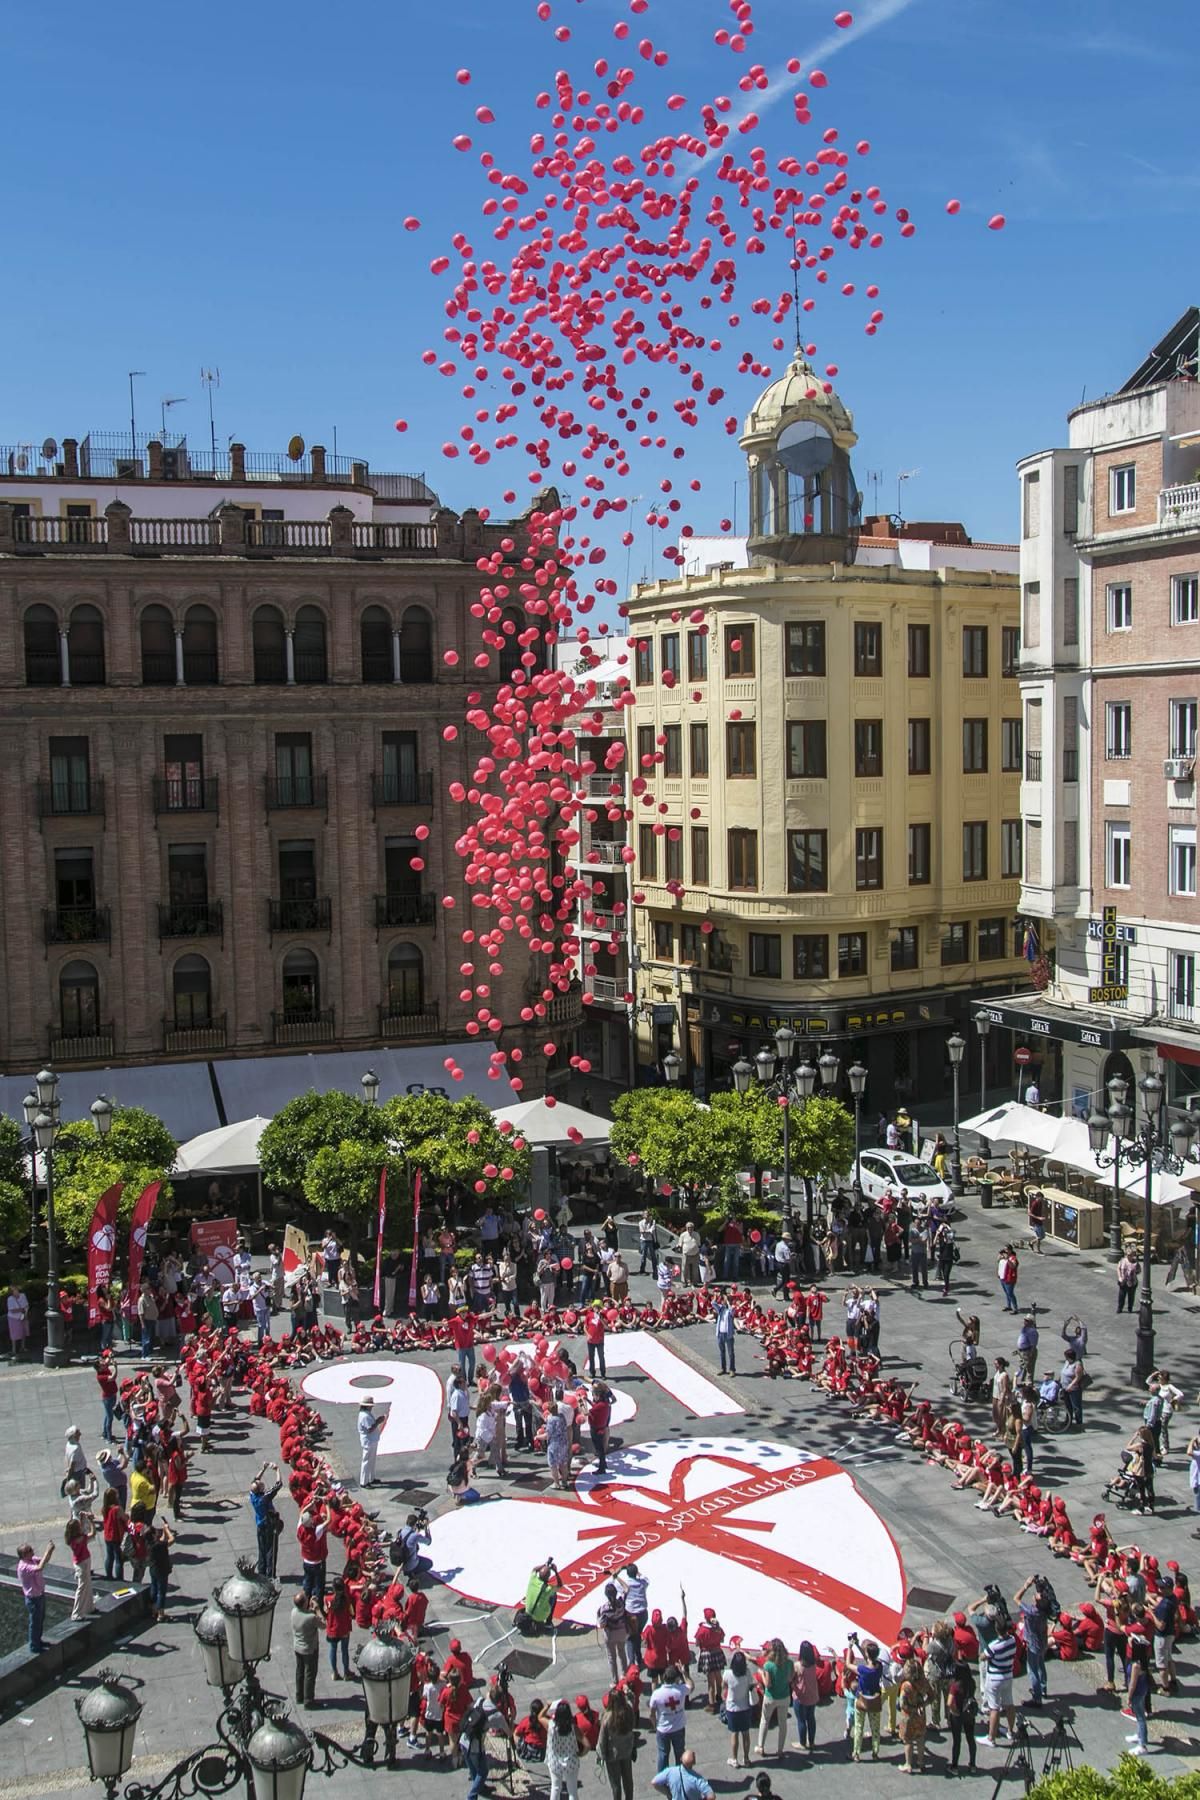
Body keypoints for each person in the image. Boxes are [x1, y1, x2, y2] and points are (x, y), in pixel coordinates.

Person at [978, 1612, 1018, 1747]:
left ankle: (991, 1738)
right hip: (1008, 1675)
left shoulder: (994, 1645)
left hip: (995, 1677)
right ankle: (1011, 1731)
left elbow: (983, 1657)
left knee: (994, 1707)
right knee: (1009, 1704)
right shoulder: (1012, 1639)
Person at [755, 1635, 793, 1758]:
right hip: (784, 1696)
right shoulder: (789, 1663)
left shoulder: (768, 1665)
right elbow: (790, 1679)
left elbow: (768, 1684)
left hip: (770, 1697)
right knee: (783, 1724)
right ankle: (780, 1749)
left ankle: (761, 1746)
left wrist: (761, 1673)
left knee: (765, 1720)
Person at [847, 1636, 884, 1761]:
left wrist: (850, 1647)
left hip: (861, 1700)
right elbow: (869, 1659)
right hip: (874, 1700)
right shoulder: (879, 1667)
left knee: (859, 1727)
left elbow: (848, 1664)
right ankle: (875, 1752)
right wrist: (858, 1646)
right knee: (875, 1728)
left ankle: (856, 1753)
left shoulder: (863, 1670)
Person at [597, 1686, 636, 1800]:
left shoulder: (607, 1717)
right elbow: (632, 1699)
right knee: (628, 1781)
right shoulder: (628, 1710)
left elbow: (602, 1739)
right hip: (627, 1751)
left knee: (616, 1785)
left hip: (612, 1755)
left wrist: (601, 1755)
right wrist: (628, 1691)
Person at [543, 1696, 585, 1800]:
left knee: (555, 1787)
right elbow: (587, 1745)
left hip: (555, 1761)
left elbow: (540, 1716)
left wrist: (548, 1705)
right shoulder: (573, 1728)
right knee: (572, 1791)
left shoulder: (551, 1726)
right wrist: (581, 1753)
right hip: (571, 1761)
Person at [17, 1541, 53, 1654]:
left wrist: (50, 1552)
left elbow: (44, 1561)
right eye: (29, 1550)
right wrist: (48, 1550)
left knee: (40, 1619)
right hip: (33, 1599)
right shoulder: (24, 1566)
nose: (32, 1551)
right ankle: (34, 1646)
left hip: (40, 1595)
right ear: (24, 1555)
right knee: (35, 1622)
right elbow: (39, 1568)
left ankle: (38, 1640)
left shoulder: (31, 1559)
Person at [650, 1664, 689, 1770]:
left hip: (663, 1729)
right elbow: (691, 1685)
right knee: (680, 1753)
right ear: (676, 1678)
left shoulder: (657, 1694)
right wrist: (684, 1672)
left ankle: (662, 1779)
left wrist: (654, 1726)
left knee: (663, 1755)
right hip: (679, 1728)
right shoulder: (681, 1690)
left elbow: (652, 1714)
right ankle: (681, 1775)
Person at [945, 1649, 978, 1773]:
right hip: (969, 1713)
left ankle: (954, 1766)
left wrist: (954, 1712)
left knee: (957, 1741)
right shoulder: (971, 1682)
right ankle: (973, 1764)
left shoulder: (955, 1686)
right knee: (970, 1739)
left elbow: (949, 1702)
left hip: (958, 1715)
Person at [897, 1655, 931, 1773]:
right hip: (920, 1715)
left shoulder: (906, 1686)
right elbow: (932, 1696)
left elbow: (902, 1704)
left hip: (908, 1716)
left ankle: (908, 1764)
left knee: (908, 1740)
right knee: (920, 1738)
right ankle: (921, 1762)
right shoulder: (924, 1682)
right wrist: (922, 1705)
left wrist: (912, 1709)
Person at [249, 1462, 284, 1576]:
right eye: (261, 1484)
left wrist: (263, 1469)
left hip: (260, 1525)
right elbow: (278, 1485)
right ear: (260, 1489)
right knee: (271, 1550)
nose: (261, 1482)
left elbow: (255, 1480)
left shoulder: (253, 1495)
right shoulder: (264, 1498)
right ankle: (270, 1574)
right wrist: (277, 1470)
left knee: (262, 1550)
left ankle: (261, 1572)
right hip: (269, 1525)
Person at [721, 1648, 753, 1768]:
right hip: (745, 1706)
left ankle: (734, 1759)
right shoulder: (747, 1673)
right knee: (746, 1734)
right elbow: (751, 1685)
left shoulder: (728, 1674)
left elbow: (723, 1688)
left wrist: (724, 1698)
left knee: (734, 1733)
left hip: (732, 1708)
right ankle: (746, 1758)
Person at [1125, 1628, 1152, 1756]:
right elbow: (1130, 1639)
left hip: (1137, 1692)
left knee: (1140, 1717)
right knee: (1139, 1716)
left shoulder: (1136, 1665)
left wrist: (1129, 1697)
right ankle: (1140, 1735)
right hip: (1143, 1689)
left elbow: (1132, 1684)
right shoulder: (1144, 1660)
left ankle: (1142, 1744)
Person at [789, 1640, 819, 1754]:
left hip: (801, 1697)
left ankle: (802, 1743)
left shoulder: (798, 1665)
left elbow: (791, 1678)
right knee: (811, 1718)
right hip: (813, 1695)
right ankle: (811, 1742)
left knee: (801, 1720)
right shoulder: (813, 1664)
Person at [65, 1516, 97, 1620]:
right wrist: (91, 1522)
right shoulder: (81, 1538)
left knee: (86, 1584)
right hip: (83, 1563)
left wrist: (83, 1520)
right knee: (82, 1586)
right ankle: (76, 1613)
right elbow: (93, 1533)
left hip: (81, 1562)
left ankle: (89, 1607)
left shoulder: (72, 1540)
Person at [291, 1590, 319, 1708]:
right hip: (309, 1648)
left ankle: (299, 1696)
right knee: (310, 1674)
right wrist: (317, 1609)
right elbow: (323, 1624)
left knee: (299, 1672)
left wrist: (310, 1610)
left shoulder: (294, 1612)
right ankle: (309, 1700)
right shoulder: (311, 1617)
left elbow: (306, 1616)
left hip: (298, 1646)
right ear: (304, 1603)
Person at [598, 1583, 629, 1683]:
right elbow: (626, 1588)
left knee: (612, 1657)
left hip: (610, 1635)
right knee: (622, 1653)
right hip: (622, 1632)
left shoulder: (604, 1609)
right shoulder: (621, 1602)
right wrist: (617, 1577)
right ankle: (624, 1675)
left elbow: (601, 1625)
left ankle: (615, 1680)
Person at [147, 1517, 175, 1621]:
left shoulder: (150, 1544)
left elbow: (162, 1540)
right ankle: (161, 1614)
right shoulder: (158, 1545)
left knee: (153, 1588)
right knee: (161, 1592)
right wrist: (167, 1530)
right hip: (161, 1570)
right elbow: (172, 1540)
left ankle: (153, 1609)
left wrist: (164, 1530)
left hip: (153, 1569)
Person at [325, 1575, 353, 1679]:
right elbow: (351, 1612)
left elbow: (326, 1612)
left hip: (332, 1628)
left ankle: (334, 1672)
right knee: (344, 1650)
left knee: (333, 1649)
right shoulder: (346, 1600)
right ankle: (346, 1672)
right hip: (344, 1628)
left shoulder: (328, 1599)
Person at [358, 1399, 385, 1489]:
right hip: (368, 1440)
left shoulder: (365, 1414)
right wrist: (378, 1421)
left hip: (371, 1440)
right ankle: (364, 1482)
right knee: (367, 1461)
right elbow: (370, 1429)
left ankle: (371, 1478)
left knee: (371, 1460)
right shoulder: (365, 1416)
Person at [588, 1384, 612, 1477]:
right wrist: (587, 1400)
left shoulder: (600, 1406)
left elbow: (587, 1412)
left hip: (596, 1428)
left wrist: (581, 1402)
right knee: (600, 1448)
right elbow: (594, 1406)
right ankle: (603, 1464)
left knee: (599, 1449)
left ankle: (602, 1468)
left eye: (593, 1395)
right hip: (600, 1427)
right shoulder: (604, 1404)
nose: (593, 1397)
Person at [1059, 1347, 1085, 1431]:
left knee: (1076, 1406)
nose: (1065, 1358)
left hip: (1074, 1389)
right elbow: (1063, 1372)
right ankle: (1068, 1421)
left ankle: (1079, 1423)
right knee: (1067, 1406)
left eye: (1066, 1356)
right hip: (1064, 1387)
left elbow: (1078, 1377)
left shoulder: (1077, 1364)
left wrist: (1071, 1385)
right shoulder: (1067, 1362)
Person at [713, 1291, 736, 1375]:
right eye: (722, 1300)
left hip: (728, 1334)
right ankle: (723, 1368)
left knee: (730, 1353)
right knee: (722, 1352)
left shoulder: (731, 1309)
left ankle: (732, 1369)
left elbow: (732, 1311)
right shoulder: (721, 1309)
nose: (723, 1301)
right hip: (720, 1334)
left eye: (724, 1300)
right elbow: (713, 1304)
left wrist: (728, 1302)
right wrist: (716, 1297)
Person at [584, 1304, 607, 1379]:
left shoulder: (603, 1315)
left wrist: (601, 1319)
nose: (596, 1309)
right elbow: (585, 1327)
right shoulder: (589, 1315)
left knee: (601, 1357)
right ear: (593, 1308)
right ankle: (592, 1372)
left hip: (600, 1340)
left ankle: (603, 1373)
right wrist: (587, 1335)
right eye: (595, 1307)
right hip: (591, 1341)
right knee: (591, 1357)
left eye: (598, 1307)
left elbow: (606, 1326)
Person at [997, 1245, 1019, 1313]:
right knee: (1007, 1293)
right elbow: (998, 1261)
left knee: (1010, 1293)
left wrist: (1007, 1259)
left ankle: (1015, 1308)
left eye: (1006, 1249)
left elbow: (1013, 1266)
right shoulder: (1003, 1257)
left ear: (1010, 1250)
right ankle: (1009, 1306)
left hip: (1009, 1278)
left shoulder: (1013, 1258)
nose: (1005, 1251)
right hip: (1002, 1277)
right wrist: (999, 1255)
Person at [1117, 1248, 1139, 1314]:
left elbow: (1138, 1271)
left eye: (1130, 1255)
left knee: (1131, 1296)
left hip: (1132, 1282)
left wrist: (1133, 1275)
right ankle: (1120, 1308)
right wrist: (1119, 1277)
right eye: (1127, 1254)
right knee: (1121, 1296)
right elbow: (1118, 1268)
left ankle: (1130, 1308)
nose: (1129, 1256)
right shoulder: (1122, 1261)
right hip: (1123, 1282)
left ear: (1133, 1255)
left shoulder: (1135, 1262)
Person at [1027, 1187, 1047, 1253]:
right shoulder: (1035, 1203)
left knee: (1043, 1236)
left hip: (1040, 1222)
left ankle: (1031, 1243)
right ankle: (1038, 1250)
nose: (1042, 1199)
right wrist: (1038, 1218)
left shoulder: (1040, 1203)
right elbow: (1029, 1213)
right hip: (1036, 1222)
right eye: (1041, 1198)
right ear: (1038, 1197)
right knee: (1039, 1237)